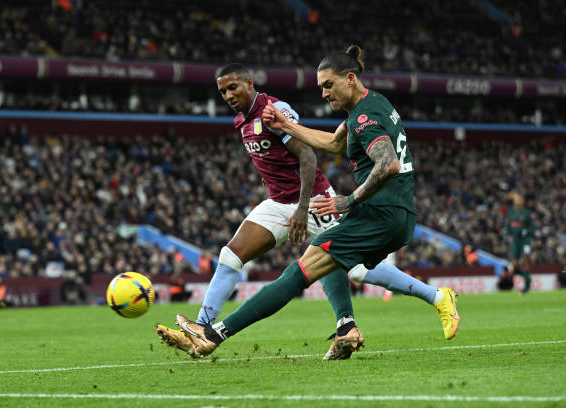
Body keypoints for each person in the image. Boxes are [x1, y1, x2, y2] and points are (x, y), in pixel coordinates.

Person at [158, 45, 461, 358]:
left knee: (321, 271)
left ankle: (214, 334)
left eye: (328, 86)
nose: (324, 94)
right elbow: (331, 142)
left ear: (351, 79)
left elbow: (384, 163)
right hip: (347, 208)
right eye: (320, 88)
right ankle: (209, 328)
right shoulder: (372, 103)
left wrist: (347, 200)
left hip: (351, 207)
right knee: (253, 256)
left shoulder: (360, 117)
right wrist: (286, 128)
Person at [157, 63, 362, 360]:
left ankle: (433, 296)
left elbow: (307, 155)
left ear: (249, 83)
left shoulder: (274, 110)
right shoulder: (241, 121)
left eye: (232, 87)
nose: (228, 95)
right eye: (222, 91)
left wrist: (303, 209)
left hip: (313, 200)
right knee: (230, 256)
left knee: (356, 266)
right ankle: (201, 328)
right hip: (278, 202)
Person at [504, 192, 533, 294]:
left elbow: (533, 227)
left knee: (524, 260)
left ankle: (526, 286)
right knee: (515, 264)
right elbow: (507, 225)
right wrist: (506, 234)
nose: (517, 201)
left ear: (523, 201)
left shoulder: (527, 213)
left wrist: (527, 231)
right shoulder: (511, 212)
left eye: (519, 199)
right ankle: (527, 277)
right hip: (515, 241)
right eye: (516, 199)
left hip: (525, 241)